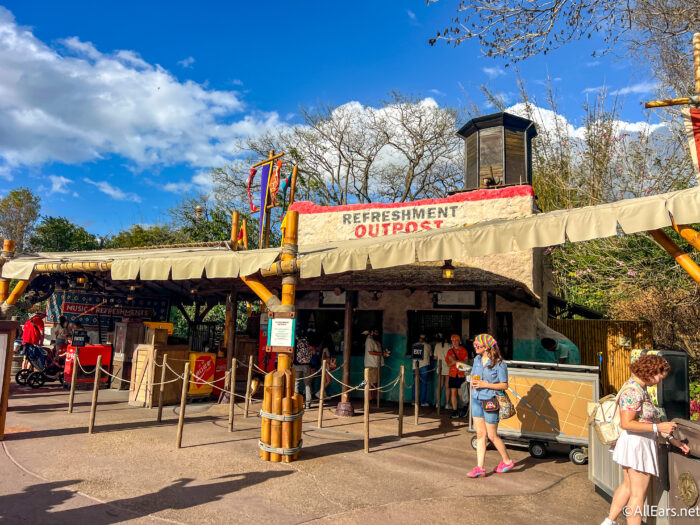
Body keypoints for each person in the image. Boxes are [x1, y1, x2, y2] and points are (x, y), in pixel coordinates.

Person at [601, 354, 690, 525]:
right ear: (650, 371)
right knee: (637, 495)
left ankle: (609, 522)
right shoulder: (634, 391)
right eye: (660, 376)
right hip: (638, 445)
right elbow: (627, 423)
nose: (660, 381)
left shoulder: (636, 387)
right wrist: (658, 428)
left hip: (633, 443)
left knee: (628, 486)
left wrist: (673, 440)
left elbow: (649, 420)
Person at [467, 333, 514, 478]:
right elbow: (475, 376)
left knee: (492, 436)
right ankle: (480, 468)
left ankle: (507, 461)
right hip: (476, 399)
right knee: (480, 434)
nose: (474, 346)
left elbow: (504, 385)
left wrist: (484, 384)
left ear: (486, 347)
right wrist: (472, 381)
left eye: (477, 344)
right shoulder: (476, 359)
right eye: (474, 343)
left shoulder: (499, 364)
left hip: (490, 401)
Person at [444, 334, 469, 419]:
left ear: (459, 341)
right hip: (452, 374)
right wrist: (454, 362)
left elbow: (466, 362)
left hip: (461, 374)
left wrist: (456, 361)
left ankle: (465, 408)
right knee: (453, 392)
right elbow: (448, 364)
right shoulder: (449, 351)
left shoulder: (463, 350)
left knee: (460, 393)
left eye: (456, 341)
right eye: (453, 341)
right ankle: (455, 411)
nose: (454, 342)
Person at [363, 328, 388, 401]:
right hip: (371, 364)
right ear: (372, 332)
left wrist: (383, 352)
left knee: (375, 383)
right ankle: (369, 399)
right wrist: (382, 354)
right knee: (370, 383)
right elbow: (370, 352)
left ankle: (373, 399)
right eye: (376, 332)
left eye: (378, 332)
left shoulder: (375, 340)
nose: (377, 334)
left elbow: (377, 351)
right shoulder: (369, 340)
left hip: (376, 364)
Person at [293, 329, 313, 409]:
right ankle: (307, 404)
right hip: (306, 365)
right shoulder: (308, 341)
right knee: (307, 385)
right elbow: (313, 352)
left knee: (296, 383)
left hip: (296, 364)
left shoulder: (295, 341)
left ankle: (296, 402)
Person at [412, 334, 433, 407]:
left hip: (415, 367)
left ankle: (414, 401)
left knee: (415, 384)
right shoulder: (428, 346)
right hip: (424, 366)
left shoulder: (414, 345)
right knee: (424, 385)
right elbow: (430, 355)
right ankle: (423, 402)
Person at [433, 333, 451, 409]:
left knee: (439, 386)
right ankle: (447, 404)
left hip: (440, 368)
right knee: (447, 387)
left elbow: (435, 357)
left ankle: (438, 403)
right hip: (448, 368)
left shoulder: (437, 345)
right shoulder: (450, 346)